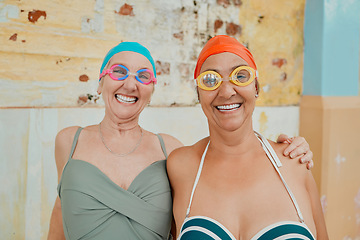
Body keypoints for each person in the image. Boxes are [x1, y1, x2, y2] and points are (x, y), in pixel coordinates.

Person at [47, 41, 314, 240]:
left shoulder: (171, 153)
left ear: (151, 91)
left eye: (142, 76)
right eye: (119, 72)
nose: (130, 85)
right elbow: (60, 212)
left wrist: (290, 149)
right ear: (99, 82)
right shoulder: (68, 141)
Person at [167, 35, 328, 239]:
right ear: (198, 93)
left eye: (240, 76)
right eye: (210, 80)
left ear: (256, 87)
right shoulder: (180, 167)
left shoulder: (294, 162)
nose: (226, 92)